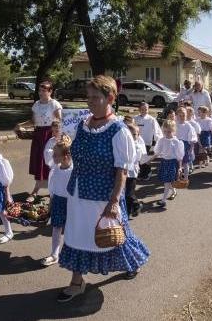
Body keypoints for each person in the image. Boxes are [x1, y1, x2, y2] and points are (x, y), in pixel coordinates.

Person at [56, 75, 149, 303]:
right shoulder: (82, 124)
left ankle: (133, 261)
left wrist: (115, 201)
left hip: (103, 196)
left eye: (95, 98)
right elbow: (73, 155)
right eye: (88, 97)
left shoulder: (118, 130)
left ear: (110, 98)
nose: (89, 102)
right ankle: (77, 282)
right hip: (78, 191)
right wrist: (63, 151)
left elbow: (122, 170)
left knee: (111, 236)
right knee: (77, 237)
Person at [41, 134, 73, 267]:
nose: (52, 157)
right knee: (56, 228)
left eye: (55, 155)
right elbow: (52, 187)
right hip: (58, 202)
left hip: (72, 203)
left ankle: (71, 253)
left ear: (65, 156)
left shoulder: (74, 170)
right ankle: (54, 254)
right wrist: (50, 204)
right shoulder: (55, 169)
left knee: (71, 229)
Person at [28, 81, 62, 202]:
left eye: (44, 90)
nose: (41, 93)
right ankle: (36, 189)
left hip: (50, 134)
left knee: (51, 160)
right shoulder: (36, 104)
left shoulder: (54, 104)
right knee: (39, 161)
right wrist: (19, 125)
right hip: (38, 134)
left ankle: (55, 188)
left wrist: (57, 134)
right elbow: (33, 121)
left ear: (50, 91)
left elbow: (59, 121)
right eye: (40, 90)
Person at [153, 119, 185, 208]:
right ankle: (174, 191)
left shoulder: (176, 142)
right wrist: (149, 160)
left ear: (174, 131)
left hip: (172, 163)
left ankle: (163, 201)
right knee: (167, 182)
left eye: (169, 131)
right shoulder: (162, 140)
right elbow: (157, 152)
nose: (167, 133)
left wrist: (180, 167)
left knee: (167, 183)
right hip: (164, 162)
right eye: (165, 131)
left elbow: (179, 156)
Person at [133, 102, 162, 180]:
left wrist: (158, 140)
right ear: (139, 109)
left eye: (146, 109)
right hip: (137, 142)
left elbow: (157, 131)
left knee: (145, 158)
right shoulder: (135, 118)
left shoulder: (151, 119)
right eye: (142, 109)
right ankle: (142, 173)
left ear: (148, 109)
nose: (144, 111)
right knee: (139, 158)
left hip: (147, 142)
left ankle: (148, 172)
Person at [124, 122, 146, 217]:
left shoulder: (138, 146)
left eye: (134, 134)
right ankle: (130, 209)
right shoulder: (125, 144)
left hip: (132, 173)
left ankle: (136, 205)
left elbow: (135, 158)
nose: (132, 136)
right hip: (124, 172)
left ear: (138, 135)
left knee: (129, 193)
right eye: (129, 134)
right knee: (125, 193)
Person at [175, 107, 196, 180]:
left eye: (183, 115)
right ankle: (177, 178)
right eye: (180, 115)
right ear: (177, 116)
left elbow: (192, 137)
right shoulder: (174, 124)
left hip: (185, 145)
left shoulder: (188, 125)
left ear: (186, 115)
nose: (182, 117)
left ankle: (186, 178)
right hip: (175, 145)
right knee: (176, 163)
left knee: (185, 163)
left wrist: (191, 147)